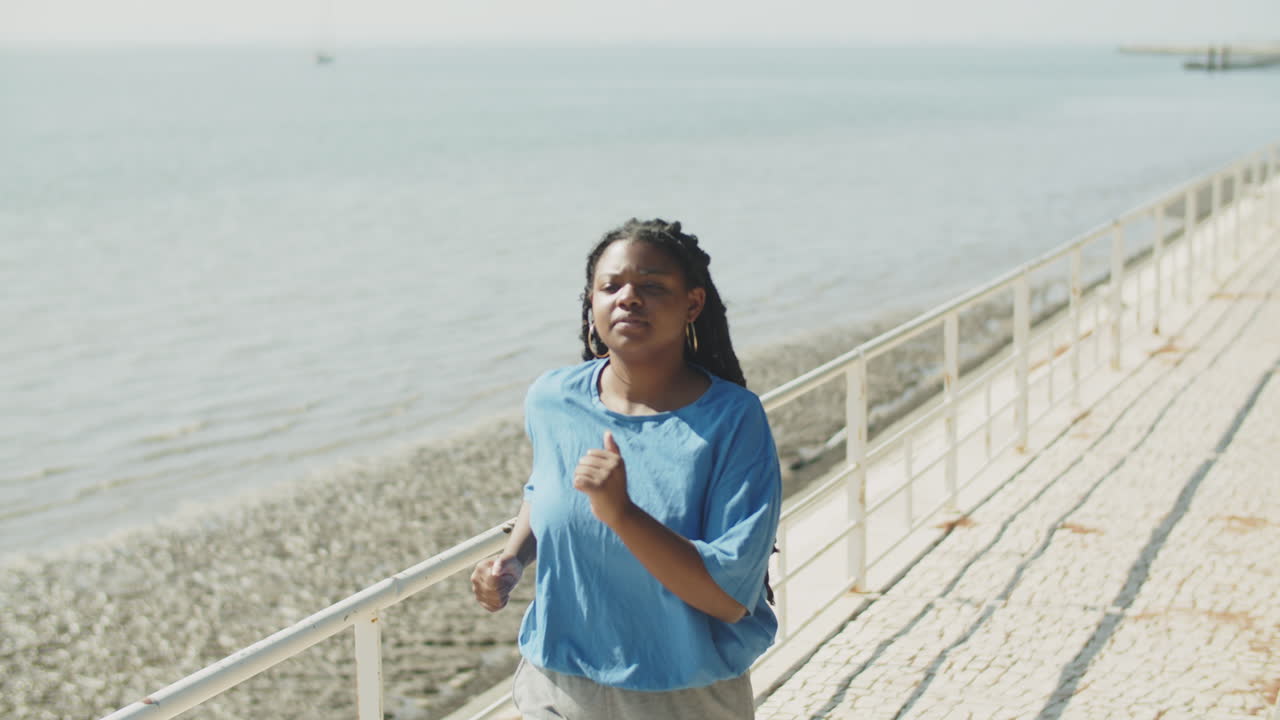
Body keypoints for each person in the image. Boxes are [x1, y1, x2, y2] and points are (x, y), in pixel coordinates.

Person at [470, 218, 782, 719]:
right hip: (556, 686)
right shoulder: (552, 398)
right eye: (610, 286)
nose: (629, 298)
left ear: (692, 304)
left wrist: (621, 513)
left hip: (683, 698)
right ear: (590, 303)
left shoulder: (732, 419)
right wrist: (511, 559)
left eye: (652, 287)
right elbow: (545, 488)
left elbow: (727, 597)